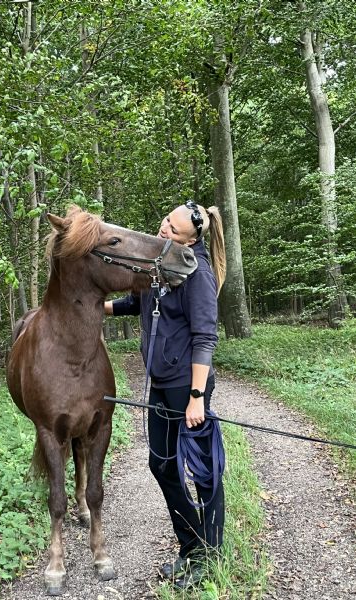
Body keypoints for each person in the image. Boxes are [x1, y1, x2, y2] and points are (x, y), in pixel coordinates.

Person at [104, 201, 226, 589]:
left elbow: (205, 338)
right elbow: (137, 302)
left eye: (173, 229)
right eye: (165, 221)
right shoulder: (160, 261)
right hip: (160, 383)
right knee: (161, 465)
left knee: (204, 472)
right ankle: (191, 546)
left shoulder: (198, 272)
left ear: (190, 239)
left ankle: (210, 555)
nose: (163, 230)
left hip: (186, 386)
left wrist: (196, 397)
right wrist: (96, 306)